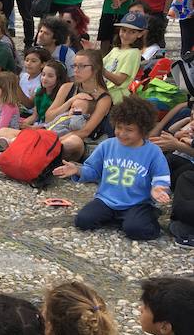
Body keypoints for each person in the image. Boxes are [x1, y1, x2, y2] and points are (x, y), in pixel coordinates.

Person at [54, 96, 170, 240]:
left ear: (143, 130)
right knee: (83, 221)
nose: (121, 133)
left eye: (129, 130)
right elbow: (94, 171)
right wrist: (78, 170)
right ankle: (119, 219)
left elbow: (161, 177)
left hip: (137, 203)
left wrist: (158, 188)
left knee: (136, 230)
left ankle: (147, 215)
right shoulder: (107, 145)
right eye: (119, 127)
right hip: (106, 200)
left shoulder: (153, 152)